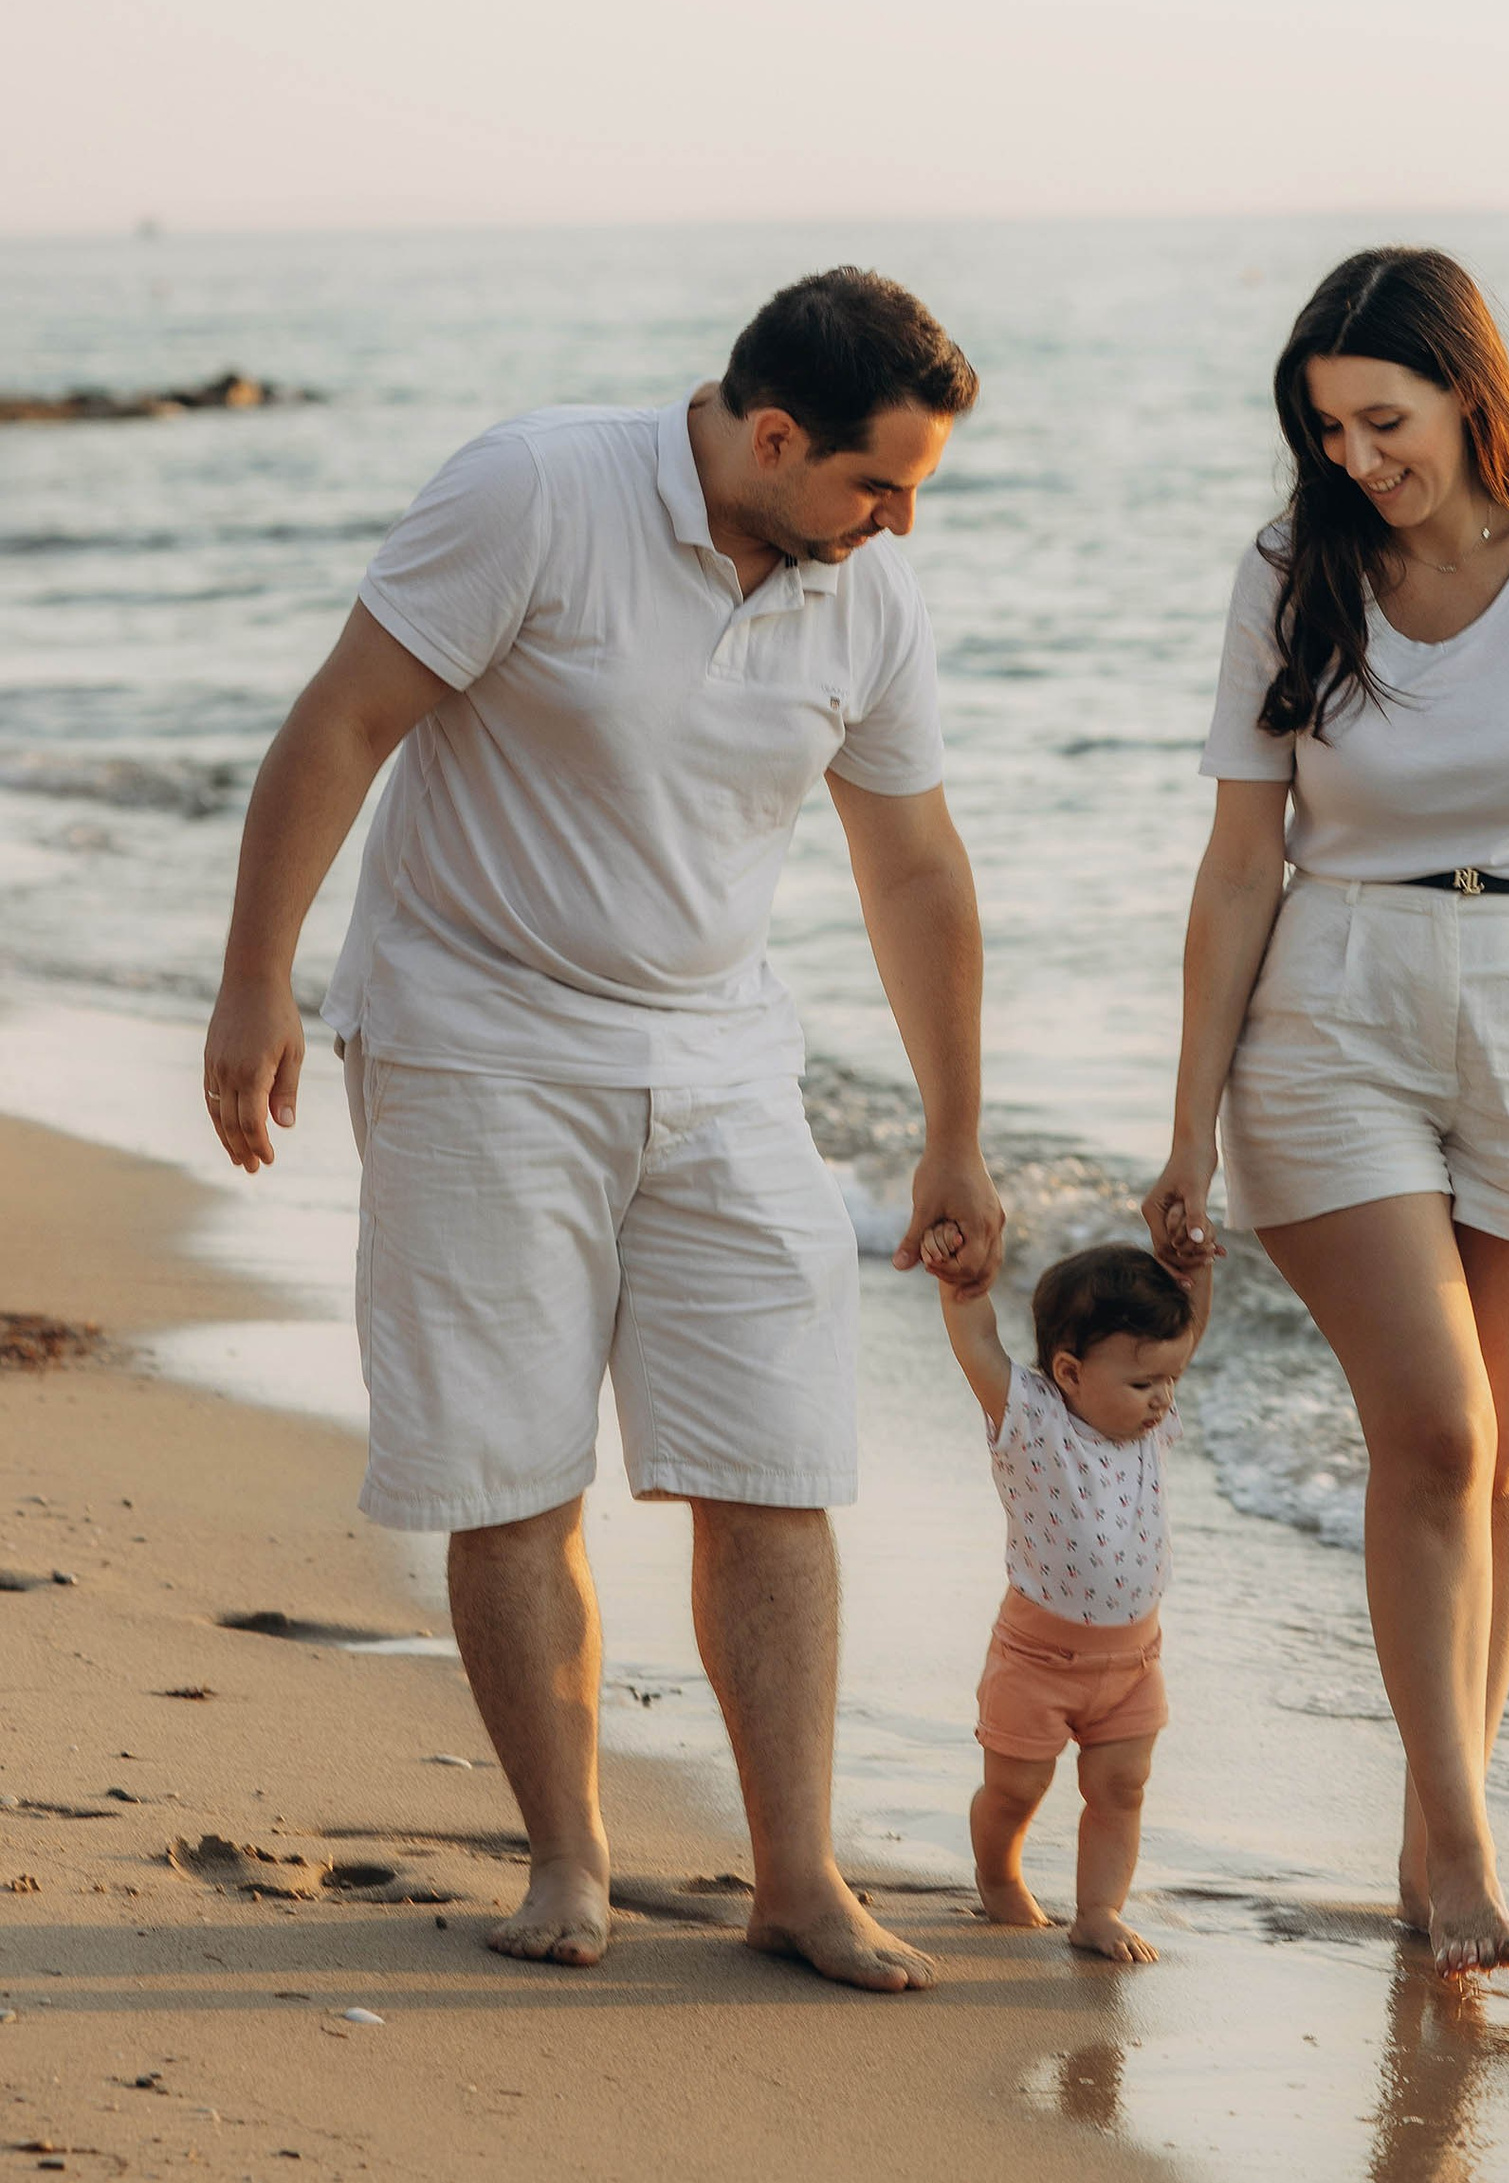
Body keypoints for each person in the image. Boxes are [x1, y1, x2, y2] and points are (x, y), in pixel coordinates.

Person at [200, 265, 1005, 1993]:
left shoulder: (860, 594)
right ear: (773, 437)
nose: (901, 524)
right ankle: (567, 1858)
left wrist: (955, 1132)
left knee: (774, 1464)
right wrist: (255, 982)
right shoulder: (536, 493)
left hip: (721, 1059)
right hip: (474, 1042)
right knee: (510, 1465)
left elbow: (916, 864)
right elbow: (342, 723)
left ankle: (796, 1877)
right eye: (879, 485)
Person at [1142, 247, 1509, 1978]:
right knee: (1441, 1437)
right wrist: (1183, 1134)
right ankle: (1461, 1844)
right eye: (1325, 428)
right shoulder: (1288, 570)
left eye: (1382, 420)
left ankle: (1430, 1822)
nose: (1353, 458)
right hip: (1335, 1009)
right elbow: (1243, 865)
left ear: (1470, 392)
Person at [936, 1236, 1207, 1965]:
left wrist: (1191, 1271)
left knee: (1122, 1787)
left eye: (1171, 1381)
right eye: (1145, 1383)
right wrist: (960, 1283)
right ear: (1069, 1371)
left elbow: (1183, 1333)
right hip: (1036, 1657)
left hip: (1134, 1660)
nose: (1163, 1399)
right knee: (1015, 1789)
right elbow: (979, 1346)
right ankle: (998, 1876)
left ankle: (1097, 1912)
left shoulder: (1149, 1428)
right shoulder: (1034, 1424)